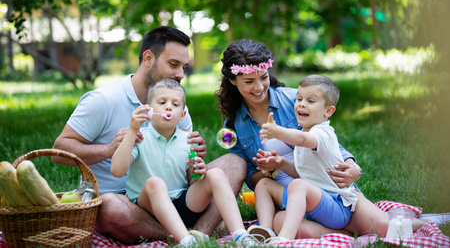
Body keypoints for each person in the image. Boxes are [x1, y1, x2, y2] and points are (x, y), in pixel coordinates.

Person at [52, 26, 247, 243]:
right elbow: (58, 152)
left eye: (183, 67)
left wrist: (196, 162)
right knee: (108, 207)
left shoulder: (176, 107)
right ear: (148, 58)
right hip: (127, 201)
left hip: (177, 197)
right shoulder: (103, 100)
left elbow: (188, 171)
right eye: (173, 65)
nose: (180, 74)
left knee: (234, 164)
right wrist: (109, 149)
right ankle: (177, 237)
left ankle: (199, 235)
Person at [215, 39, 425, 239]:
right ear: (233, 80)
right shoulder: (234, 126)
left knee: (385, 228)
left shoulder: (296, 100)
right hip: (288, 194)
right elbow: (252, 177)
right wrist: (269, 169)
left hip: (327, 185)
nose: (259, 87)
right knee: (279, 224)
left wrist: (352, 167)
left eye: (263, 77)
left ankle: (429, 222)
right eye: (249, 81)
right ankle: (346, 236)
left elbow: (326, 141)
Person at [110, 79, 259, 247]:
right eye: (162, 102)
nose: (168, 107)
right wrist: (131, 131)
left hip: (182, 205)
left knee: (215, 174)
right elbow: (117, 170)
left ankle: (240, 235)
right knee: (155, 184)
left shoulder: (188, 140)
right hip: (147, 209)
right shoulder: (139, 137)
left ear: (182, 114)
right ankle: (187, 241)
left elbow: (192, 180)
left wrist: (200, 172)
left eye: (175, 104)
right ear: (148, 109)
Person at [249, 75, 358, 243]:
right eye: (299, 98)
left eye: (311, 101)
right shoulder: (305, 131)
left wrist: (277, 131)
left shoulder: (322, 133)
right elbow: (302, 173)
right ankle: (265, 230)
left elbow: (301, 139)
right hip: (311, 202)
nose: (301, 103)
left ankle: (284, 239)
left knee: (297, 186)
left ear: (328, 111)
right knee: (263, 184)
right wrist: (281, 163)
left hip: (335, 205)